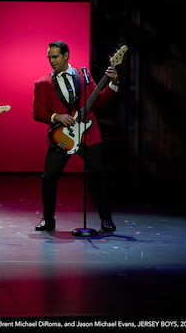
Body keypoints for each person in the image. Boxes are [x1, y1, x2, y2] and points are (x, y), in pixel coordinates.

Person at [32, 40, 118, 232]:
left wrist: (113, 83)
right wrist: (56, 117)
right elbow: (37, 113)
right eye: (49, 57)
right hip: (61, 137)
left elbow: (100, 101)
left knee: (101, 175)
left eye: (55, 57)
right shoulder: (43, 83)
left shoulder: (84, 74)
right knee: (49, 178)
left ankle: (106, 219)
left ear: (66, 55)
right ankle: (48, 219)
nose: (51, 61)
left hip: (89, 134)